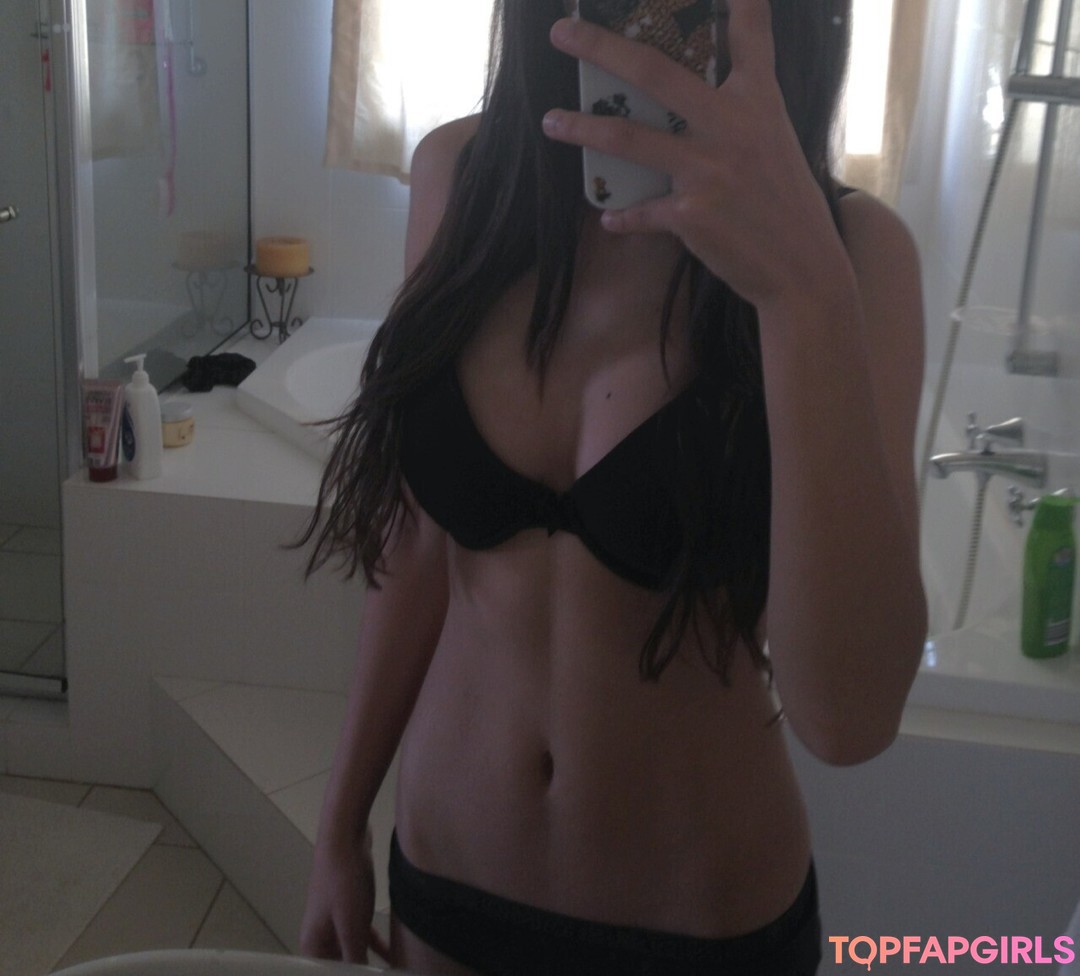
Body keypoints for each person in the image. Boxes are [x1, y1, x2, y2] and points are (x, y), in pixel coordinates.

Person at [299, 0, 928, 973]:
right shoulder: (459, 176)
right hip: (447, 887)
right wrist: (340, 822)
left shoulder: (850, 253)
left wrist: (799, 295)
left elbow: (849, 719)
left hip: (701, 925)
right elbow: (418, 545)